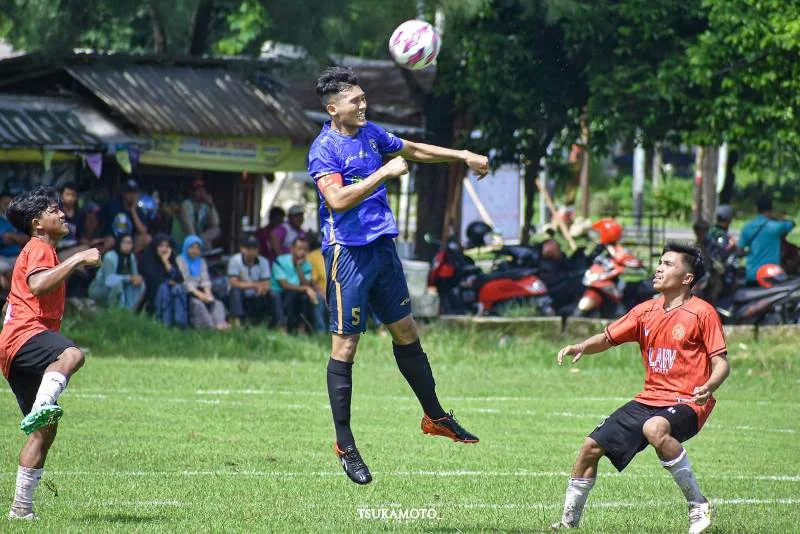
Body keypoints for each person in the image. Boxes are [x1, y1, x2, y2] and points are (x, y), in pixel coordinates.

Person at [307, 66, 489, 484]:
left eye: (363, 97)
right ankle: (345, 443)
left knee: (406, 330)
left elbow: (413, 150)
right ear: (334, 108)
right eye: (355, 100)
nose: (363, 104)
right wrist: (383, 174)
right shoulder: (324, 149)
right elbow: (336, 201)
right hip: (346, 254)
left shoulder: (371, 134)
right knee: (346, 345)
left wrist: (462, 156)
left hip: (382, 249)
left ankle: (435, 416)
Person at [551, 243, 730, 534]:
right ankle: (568, 524)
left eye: (669, 264)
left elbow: (721, 363)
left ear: (687, 278)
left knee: (654, 428)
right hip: (649, 399)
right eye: (660, 262)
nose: (659, 268)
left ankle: (698, 504)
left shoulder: (702, 312)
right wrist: (582, 346)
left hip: (689, 400)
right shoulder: (645, 311)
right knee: (590, 447)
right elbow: (608, 338)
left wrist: (709, 385)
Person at [0, 186, 101, 520]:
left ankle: (21, 510)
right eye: (54, 210)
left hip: (13, 346)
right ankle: (43, 405)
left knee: (44, 430)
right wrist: (79, 257)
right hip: (26, 336)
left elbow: (20, 295)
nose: (62, 213)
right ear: (37, 223)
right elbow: (39, 286)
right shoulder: (40, 247)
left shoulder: (39, 249)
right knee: (72, 355)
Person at [176, 235, 230, 330]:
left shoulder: (201, 261)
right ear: (186, 247)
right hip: (188, 292)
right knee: (198, 304)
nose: (194, 251)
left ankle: (220, 323)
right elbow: (185, 281)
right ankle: (211, 327)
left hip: (201, 290)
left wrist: (208, 294)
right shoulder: (180, 260)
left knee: (217, 303)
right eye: (191, 247)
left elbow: (205, 279)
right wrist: (201, 295)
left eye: (197, 248)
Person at [738, 196, 795, 285]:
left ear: (756, 209)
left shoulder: (747, 227)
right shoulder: (776, 227)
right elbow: (791, 224)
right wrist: (776, 218)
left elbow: (740, 250)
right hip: (771, 275)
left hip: (752, 274)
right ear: (771, 209)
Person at [227, 235, 280, 328]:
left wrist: (261, 288)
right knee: (235, 291)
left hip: (257, 295)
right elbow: (233, 282)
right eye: (248, 248)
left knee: (273, 294)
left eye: (254, 248)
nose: (251, 251)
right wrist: (255, 285)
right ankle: (237, 323)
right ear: (242, 249)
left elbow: (266, 283)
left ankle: (278, 324)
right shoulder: (235, 260)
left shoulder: (263, 261)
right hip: (240, 296)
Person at [271, 236, 318, 334]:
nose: (303, 252)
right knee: (282, 295)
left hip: (296, 292)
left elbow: (306, 283)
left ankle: (302, 328)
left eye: (305, 249)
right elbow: (284, 285)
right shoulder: (280, 261)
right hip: (280, 292)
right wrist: (306, 288)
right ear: (292, 249)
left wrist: (299, 267)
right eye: (300, 248)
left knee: (305, 297)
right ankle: (282, 328)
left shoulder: (306, 265)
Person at [139, 234, 188, 327]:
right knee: (164, 288)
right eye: (161, 246)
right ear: (156, 246)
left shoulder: (170, 259)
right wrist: (167, 282)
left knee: (178, 288)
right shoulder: (147, 258)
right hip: (153, 293)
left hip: (171, 290)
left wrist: (166, 262)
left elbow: (179, 279)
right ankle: (165, 323)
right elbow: (151, 278)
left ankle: (179, 324)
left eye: (167, 246)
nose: (164, 249)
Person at [87, 233, 146, 311]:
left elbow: (134, 276)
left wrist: (138, 279)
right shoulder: (110, 257)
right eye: (125, 242)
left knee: (141, 285)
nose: (128, 245)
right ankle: (114, 312)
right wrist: (128, 278)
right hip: (100, 288)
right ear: (119, 243)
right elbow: (108, 280)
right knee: (117, 285)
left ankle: (129, 311)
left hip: (122, 287)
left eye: (130, 243)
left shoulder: (131, 257)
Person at [102, 179, 152, 254]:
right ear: (123, 193)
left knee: (147, 238)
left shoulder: (139, 211)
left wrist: (133, 211)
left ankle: (129, 259)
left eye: (134, 193)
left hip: (130, 241)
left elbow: (143, 231)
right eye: (129, 192)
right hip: (113, 239)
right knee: (109, 241)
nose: (132, 196)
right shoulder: (112, 205)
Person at [0, 191, 29, 291]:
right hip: (2, 258)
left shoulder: (19, 220)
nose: (7, 206)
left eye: (10, 203)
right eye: (4, 203)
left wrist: (12, 236)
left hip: (18, 256)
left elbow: (27, 239)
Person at [179, 178, 221, 248]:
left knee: (216, 231)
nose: (201, 192)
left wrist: (211, 205)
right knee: (202, 241)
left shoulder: (205, 206)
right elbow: (188, 226)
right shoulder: (186, 204)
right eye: (198, 190)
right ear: (192, 191)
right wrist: (195, 241)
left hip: (199, 237)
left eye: (202, 189)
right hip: (185, 236)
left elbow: (215, 223)